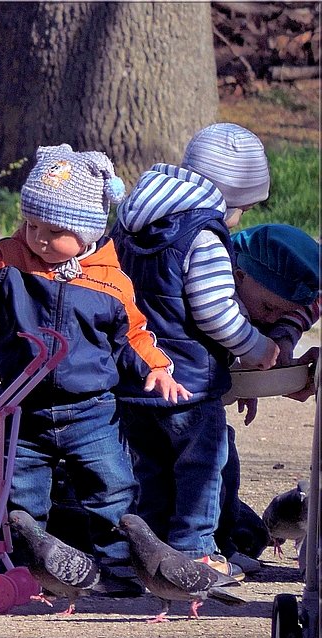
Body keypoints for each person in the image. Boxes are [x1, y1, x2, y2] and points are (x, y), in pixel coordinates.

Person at [0, 144, 188, 596]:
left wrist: (158, 367)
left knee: (111, 487)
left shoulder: (109, 282)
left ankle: (120, 567)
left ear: (89, 232)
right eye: (32, 224)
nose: (39, 238)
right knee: (20, 494)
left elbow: (135, 334)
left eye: (55, 231)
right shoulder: (11, 260)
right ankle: (30, 568)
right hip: (22, 407)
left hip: (91, 410)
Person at [111, 122, 280, 580]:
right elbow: (214, 311)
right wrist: (256, 346)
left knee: (150, 467)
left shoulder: (133, 221)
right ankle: (194, 552)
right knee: (201, 466)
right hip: (187, 380)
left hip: (133, 372)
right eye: (242, 207)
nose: (240, 216)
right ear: (227, 197)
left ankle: (149, 552)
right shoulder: (201, 234)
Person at [215, 224, 321, 573]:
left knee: (249, 533)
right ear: (238, 274)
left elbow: (297, 305)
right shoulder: (213, 293)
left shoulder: (265, 294)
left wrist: (283, 336)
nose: (268, 317)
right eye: (267, 308)